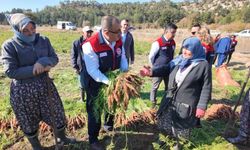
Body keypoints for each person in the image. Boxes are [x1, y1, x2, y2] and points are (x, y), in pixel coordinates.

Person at [1, 13, 76, 150]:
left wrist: (43, 61)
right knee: (28, 120)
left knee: (57, 114)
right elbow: (10, 71)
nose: (30, 33)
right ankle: (37, 147)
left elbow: (54, 58)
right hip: (23, 91)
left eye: (32, 28)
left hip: (45, 84)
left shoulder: (43, 40)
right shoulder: (10, 45)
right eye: (25, 30)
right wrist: (34, 69)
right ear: (17, 30)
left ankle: (61, 139)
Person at [140, 37, 211, 149]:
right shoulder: (179, 60)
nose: (185, 51)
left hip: (186, 102)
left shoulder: (203, 65)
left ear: (196, 50)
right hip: (170, 99)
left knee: (181, 129)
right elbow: (166, 69)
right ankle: (163, 141)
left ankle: (177, 146)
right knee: (164, 123)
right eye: (184, 48)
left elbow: (206, 87)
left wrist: (201, 106)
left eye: (189, 49)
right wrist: (151, 72)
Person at [82, 15, 128, 150]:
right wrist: (111, 83)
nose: (121, 34)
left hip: (112, 78)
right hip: (94, 81)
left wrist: (124, 74)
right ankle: (93, 139)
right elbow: (93, 70)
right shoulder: (90, 44)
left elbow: (123, 57)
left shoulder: (119, 40)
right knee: (95, 110)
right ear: (106, 32)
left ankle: (108, 126)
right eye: (117, 31)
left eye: (120, 30)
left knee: (111, 103)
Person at [148, 23, 177, 107]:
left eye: (175, 32)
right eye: (172, 32)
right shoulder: (158, 43)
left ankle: (167, 102)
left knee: (169, 86)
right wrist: (154, 67)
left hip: (169, 69)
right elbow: (151, 57)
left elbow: (172, 54)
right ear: (166, 31)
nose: (174, 35)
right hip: (158, 69)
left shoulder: (173, 42)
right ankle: (152, 102)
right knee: (155, 86)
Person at [71, 26, 93, 102]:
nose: (89, 34)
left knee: (90, 83)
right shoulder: (76, 43)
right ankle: (82, 98)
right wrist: (75, 67)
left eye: (90, 32)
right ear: (83, 33)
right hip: (81, 66)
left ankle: (89, 98)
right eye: (87, 32)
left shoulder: (93, 42)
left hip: (91, 66)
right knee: (81, 83)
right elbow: (73, 55)